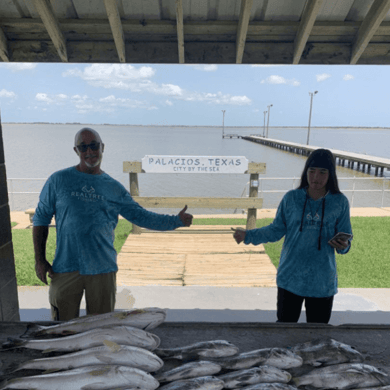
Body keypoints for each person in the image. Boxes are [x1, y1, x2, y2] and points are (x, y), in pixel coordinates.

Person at [33, 127, 193, 321]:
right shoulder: (58, 180)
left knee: (101, 328)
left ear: (103, 147)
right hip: (65, 266)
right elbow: (41, 218)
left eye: (94, 146)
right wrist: (40, 260)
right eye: (83, 147)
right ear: (76, 151)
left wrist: (175, 221)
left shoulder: (114, 188)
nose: (89, 152)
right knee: (62, 328)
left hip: (102, 268)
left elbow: (140, 216)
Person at [233, 148, 352, 324]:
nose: (315, 177)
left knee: (317, 338)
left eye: (322, 172)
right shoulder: (291, 198)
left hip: (322, 282)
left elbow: (346, 239)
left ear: (331, 174)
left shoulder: (340, 202)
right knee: (284, 333)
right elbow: (275, 230)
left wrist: (343, 246)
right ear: (306, 172)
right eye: (311, 171)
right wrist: (248, 235)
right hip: (290, 278)